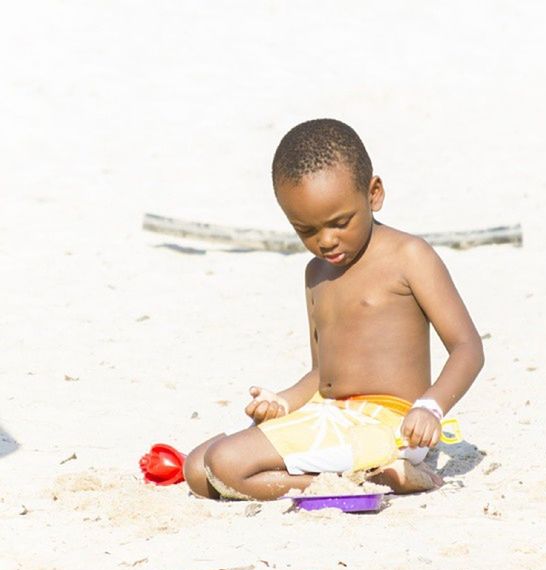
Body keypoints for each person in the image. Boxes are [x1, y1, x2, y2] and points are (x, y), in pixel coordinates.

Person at [183, 118, 484, 501]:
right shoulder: (316, 274)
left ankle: (378, 478)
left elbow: (467, 347)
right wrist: (283, 403)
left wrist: (431, 407)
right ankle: (377, 477)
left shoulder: (409, 256)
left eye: (341, 222)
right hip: (331, 415)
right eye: (306, 230)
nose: (326, 241)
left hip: (391, 424)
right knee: (197, 468)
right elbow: (325, 375)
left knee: (226, 463)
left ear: (373, 194)